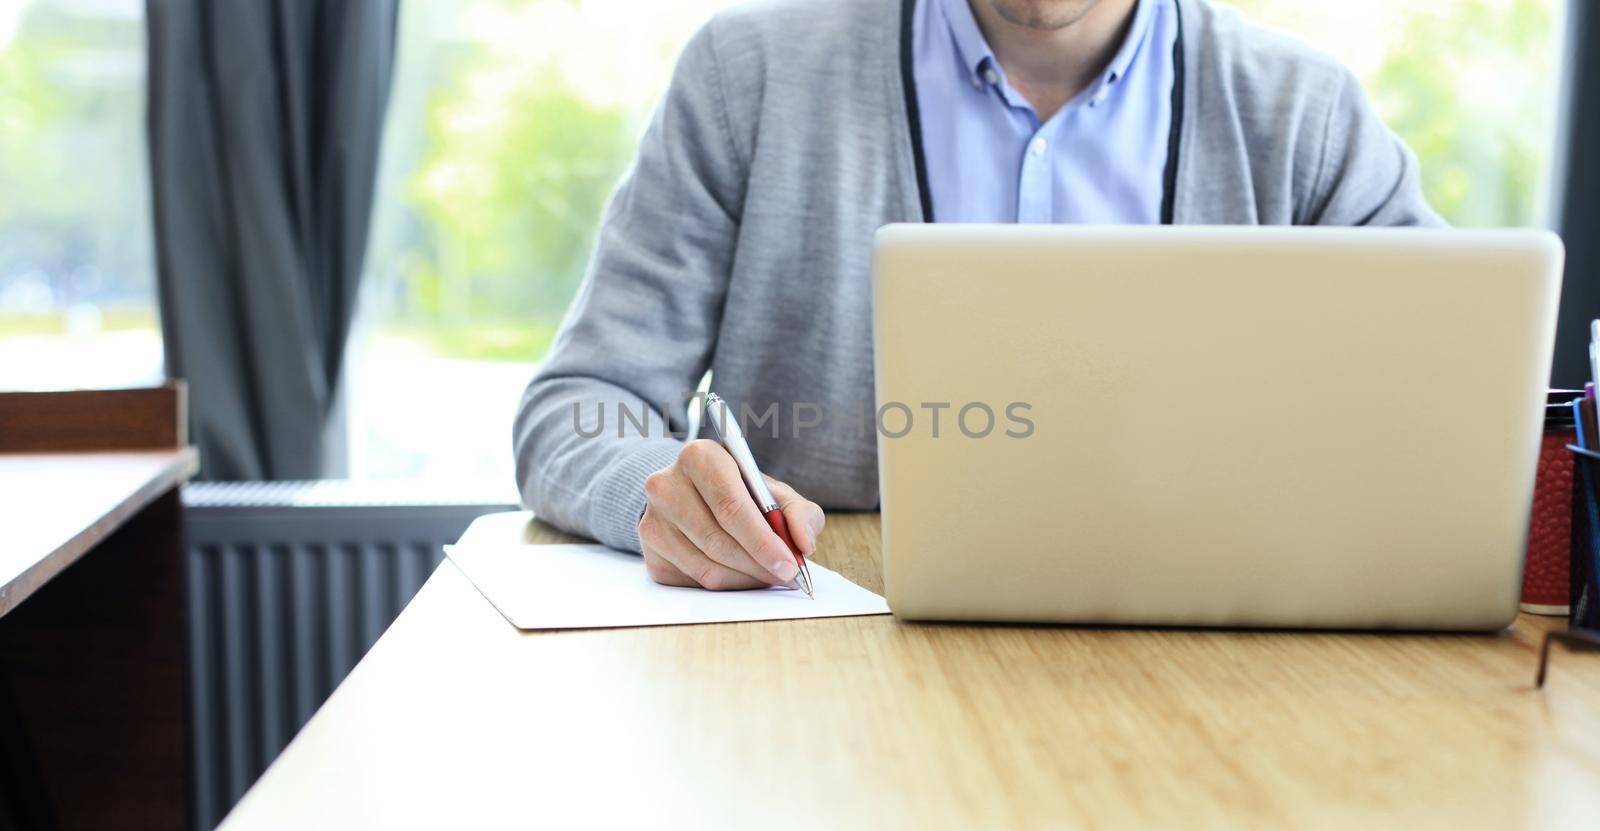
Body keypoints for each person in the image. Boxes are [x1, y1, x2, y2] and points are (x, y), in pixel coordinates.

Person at [512, 0, 1442, 591]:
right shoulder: (745, 78)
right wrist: (653, 492)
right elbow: (577, 406)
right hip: (820, 678)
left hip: (1222, 668)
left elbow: (1441, 412)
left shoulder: (1306, 117)